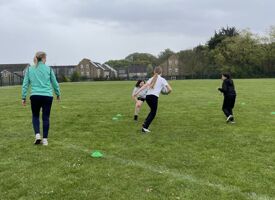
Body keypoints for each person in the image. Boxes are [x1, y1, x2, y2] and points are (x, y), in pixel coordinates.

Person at [22, 51, 61, 145]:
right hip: (47, 96)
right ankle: (45, 140)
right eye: (45, 58)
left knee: (35, 116)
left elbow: (25, 84)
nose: (46, 59)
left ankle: (37, 135)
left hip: (35, 96)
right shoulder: (49, 69)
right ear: (43, 58)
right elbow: (55, 83)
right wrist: (58, 94)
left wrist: (23, 97)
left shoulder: (30, 69)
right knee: (46, 117)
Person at [134, 67, 172, 133]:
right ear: (161, 72)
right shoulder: (162, 79)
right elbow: (170, 89)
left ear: (154, 72)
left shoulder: (151, 78)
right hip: (154, 98)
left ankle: (145, 123)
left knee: (152, 111)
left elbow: (144, 86)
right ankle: (145, 128)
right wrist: (166, 93)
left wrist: (137, 92)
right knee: (153, 113)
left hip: (148, 97)